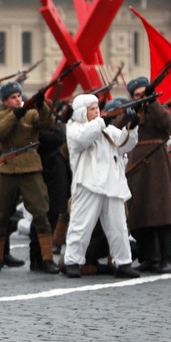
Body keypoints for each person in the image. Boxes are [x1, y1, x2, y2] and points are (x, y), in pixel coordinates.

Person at [63, 94, 140, 278]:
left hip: (111, 184)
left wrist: (132, 126)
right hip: (88, 183)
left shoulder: (107, 128)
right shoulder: (74, 128)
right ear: (82, 112)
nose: (96, 111)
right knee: (80, 225)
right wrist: (100, 123)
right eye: (91, 109)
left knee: (118, 226)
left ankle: (123, 262)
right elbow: (82, 139)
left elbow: (124, 145)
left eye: (97, 108)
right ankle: (72, 261)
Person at [0, 82, 59, 274]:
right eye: (13, 97)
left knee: (40, 213)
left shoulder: (31, 114)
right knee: (1, 215)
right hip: (7, 170)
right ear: (5, 101)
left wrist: (42, 104)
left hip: (30, 168)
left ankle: (47, 259)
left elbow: (48, 123)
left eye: (19, 96)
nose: (18, 99)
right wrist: (15, 115)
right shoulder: (1, 115)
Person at [124, 77, 171, 273]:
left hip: (157, 163)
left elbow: (166, 124)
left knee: (162, 213)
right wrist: (128, 113)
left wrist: (153, 101)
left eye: (143, 93)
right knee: (142, 213)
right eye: (137, 95)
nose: (141, 98)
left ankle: (169, 259)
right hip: (137, 164)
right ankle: (151, 257)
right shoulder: (131, 110)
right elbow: (119, 128)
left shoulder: (158, 108)